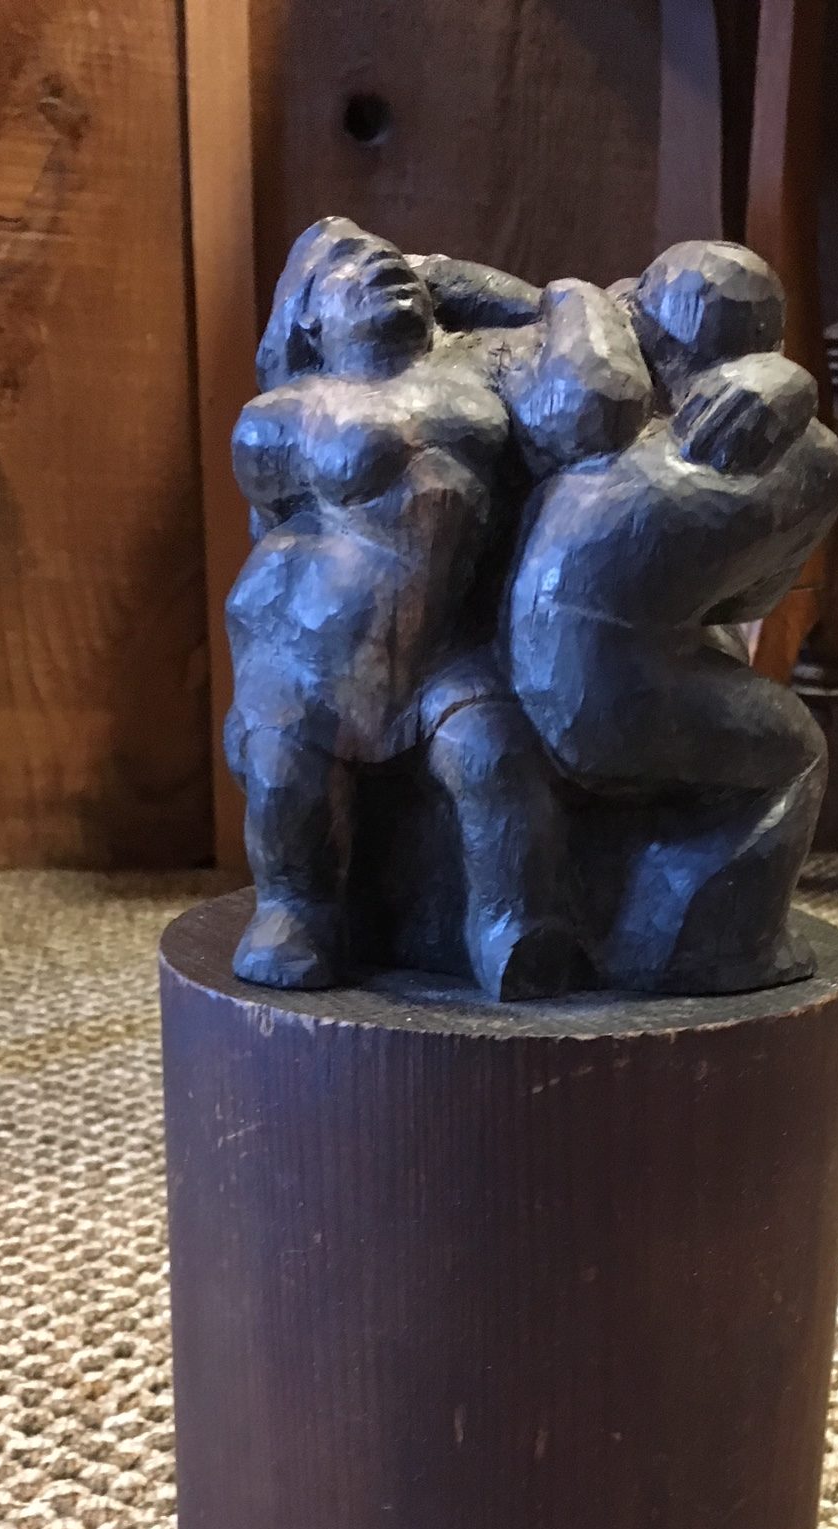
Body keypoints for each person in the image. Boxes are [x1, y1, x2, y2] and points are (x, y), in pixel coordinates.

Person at [225, 219, 648, 997]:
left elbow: (592, 411)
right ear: (307, 315)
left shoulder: (487, 365)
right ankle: (295, 911)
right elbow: (272, 536)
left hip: (449, 649)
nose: (383, 262)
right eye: (348, 261)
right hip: (312, 654)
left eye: (395, 259)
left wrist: (509, 290)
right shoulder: (281, 413)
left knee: (492, 755)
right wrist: (256, 685)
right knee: (288, 776)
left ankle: (516, 928)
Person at [504, 241, 838, 991]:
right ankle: (709, 949)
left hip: (528, 669)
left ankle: (641, 922)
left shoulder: (586, 400)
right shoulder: (811, 458)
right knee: (797, 752)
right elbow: (753, 602)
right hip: (607, 700)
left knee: (705, 660)